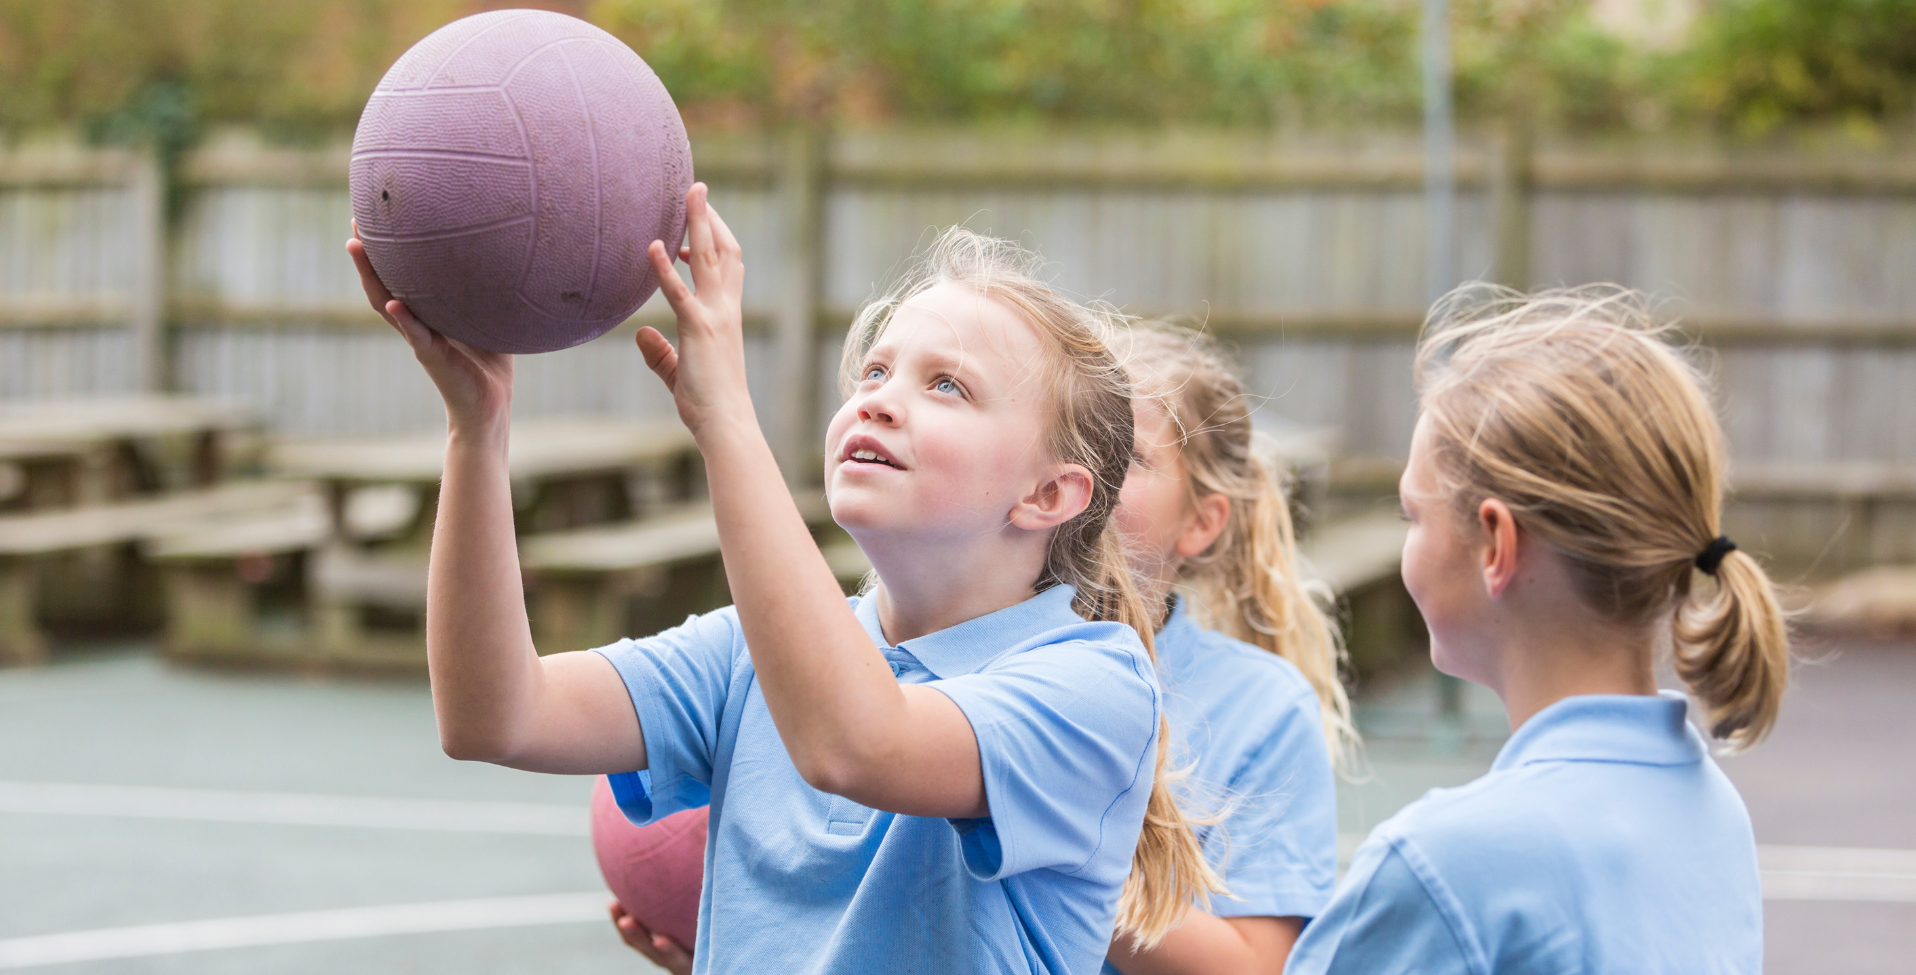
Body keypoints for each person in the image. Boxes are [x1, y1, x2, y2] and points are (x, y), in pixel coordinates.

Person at [344, 189, 1220, 975]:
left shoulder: (1092, 684)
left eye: (947, 385)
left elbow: (856, 744)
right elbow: (494, 714)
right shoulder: (746, 655)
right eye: (875, 370)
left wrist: (725, 416)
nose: (878, 397)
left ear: (1049, 493)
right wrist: (477, 426)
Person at [1285, 286, 1788, 974]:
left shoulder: (1441, 865)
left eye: (1412, 515)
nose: (1409, 537)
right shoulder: (1714, 812)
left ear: (1496, 542)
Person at [1102, 324, 1356, 975]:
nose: (1083, 468)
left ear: (1202, 521)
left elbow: (1256, 964)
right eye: (1063, 439)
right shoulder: (944, 651)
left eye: (1126, 455)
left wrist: (1042, 840)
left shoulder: (1261, 707)